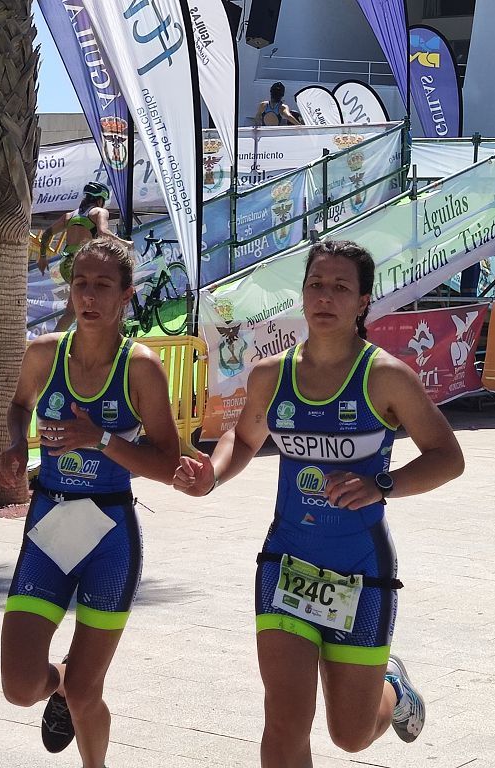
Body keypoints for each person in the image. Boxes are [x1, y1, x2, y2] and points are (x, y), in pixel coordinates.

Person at [173, 239, 464, 765]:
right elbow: (243, 439)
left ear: (362, 303)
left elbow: (448, 457)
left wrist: (385, 485)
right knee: (284, 723)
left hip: (359, 566)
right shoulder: (270, 375)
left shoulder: (386, 377)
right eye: (315, 285)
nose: (325, 297)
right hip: (287, 560)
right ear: (302, 296)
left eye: (340, 288)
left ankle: (392, 685)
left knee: (350, 736)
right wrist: (212, 475)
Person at [0, 238, 181, 767]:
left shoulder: (141, 368)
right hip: (50, 523)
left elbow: (168, 461)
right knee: (20, 685)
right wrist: (15, 443)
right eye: (80, 283)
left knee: (85, 689)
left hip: (110, 533)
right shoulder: (43, 353)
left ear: (126, 295)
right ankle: (55, 689)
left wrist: (99, 439)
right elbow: (18, 405)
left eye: (103, 285)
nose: (89, 296)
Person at [38, 181, 133, 332]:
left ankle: (54, 342)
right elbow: (103, 232)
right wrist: (125, 243)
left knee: (72, 310)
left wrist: (42, 257)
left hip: (66, 264)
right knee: (112, 298)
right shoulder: (99, 212)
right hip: (85, 264)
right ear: (101, 200)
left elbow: (47, 234)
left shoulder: (69, 216)